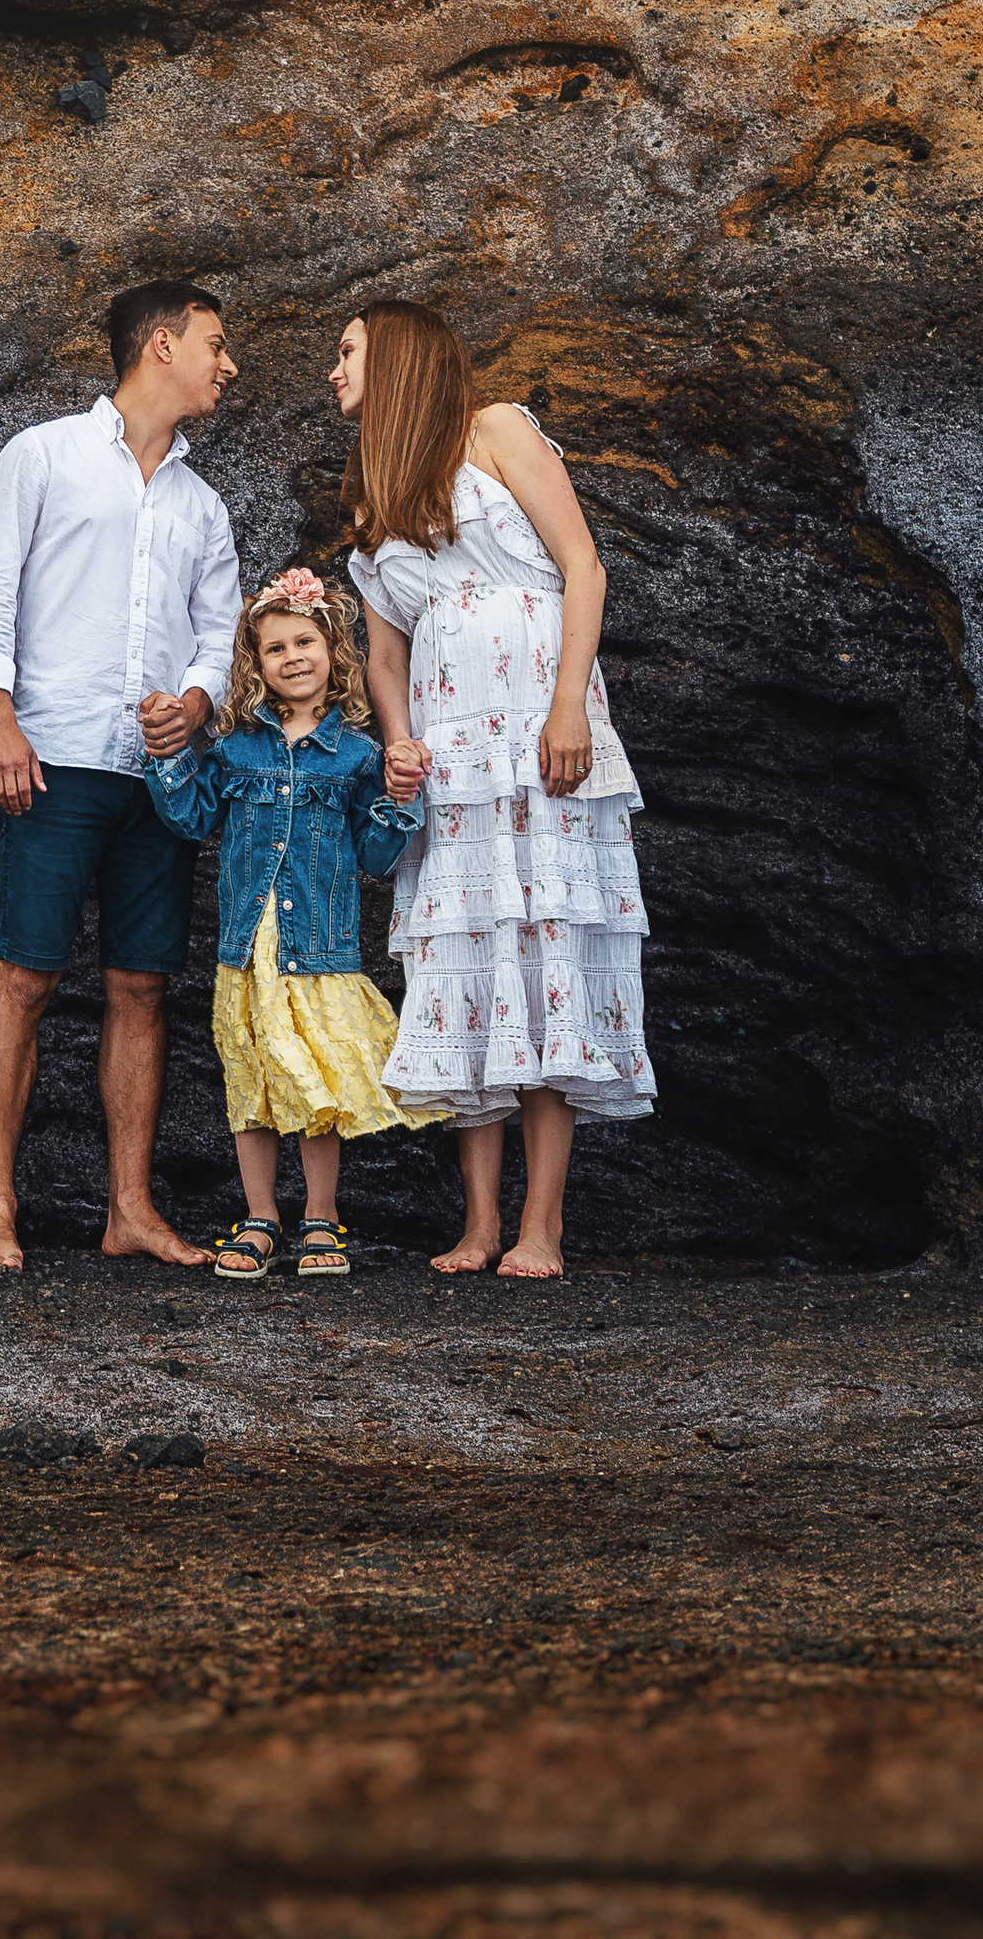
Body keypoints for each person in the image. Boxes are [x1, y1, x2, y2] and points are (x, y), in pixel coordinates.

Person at [334, 301, 654, 1279]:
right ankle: (478, 1224)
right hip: (451, 759)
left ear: (394, 356)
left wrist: (568, 709)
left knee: (543, 955)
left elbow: (584, 569)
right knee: (467, 971)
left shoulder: (498, 429)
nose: (333, 374)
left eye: (346, 354)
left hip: (537, 731)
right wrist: (397, 744)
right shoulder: (378, 490)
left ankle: (541, 1228)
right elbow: (383, 653)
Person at [0, 278, 242, 1273]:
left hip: (158, 778)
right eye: (214, 343)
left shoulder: (203, 504)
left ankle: (129, 1212)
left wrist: (193, 706)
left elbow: (217, 640)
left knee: (141, 987)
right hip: (52, 757)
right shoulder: (43, 456)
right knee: (23, 977)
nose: (226, 365)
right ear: (160, 345)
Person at [142, 566, 437, 1278]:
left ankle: (322, 1218)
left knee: (316, 1086)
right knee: (253, 1082)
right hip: (247, 949)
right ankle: (260, 1217)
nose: (293, 657)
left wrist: (400, 796)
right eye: (275, 649)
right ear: (259, 667)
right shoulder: (237, 747)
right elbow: (190, 818)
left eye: (304, 640)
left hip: (319, 949)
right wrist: (167, 754)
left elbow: (375, 854)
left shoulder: (361, 753)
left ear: (334, 650)